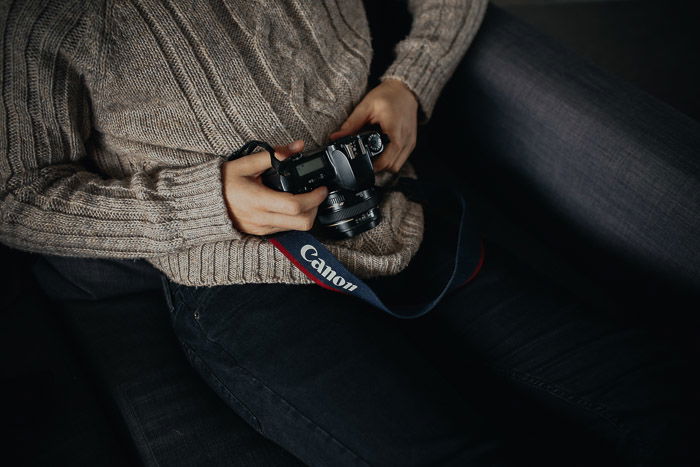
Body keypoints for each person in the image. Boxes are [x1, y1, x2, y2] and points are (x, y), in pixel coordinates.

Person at [2, 0, 698, 465]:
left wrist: (409, 84)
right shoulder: (46, 18)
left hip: (392, 210)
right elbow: (17, 195)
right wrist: (211, 203)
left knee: (641, 385)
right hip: (242, 281)